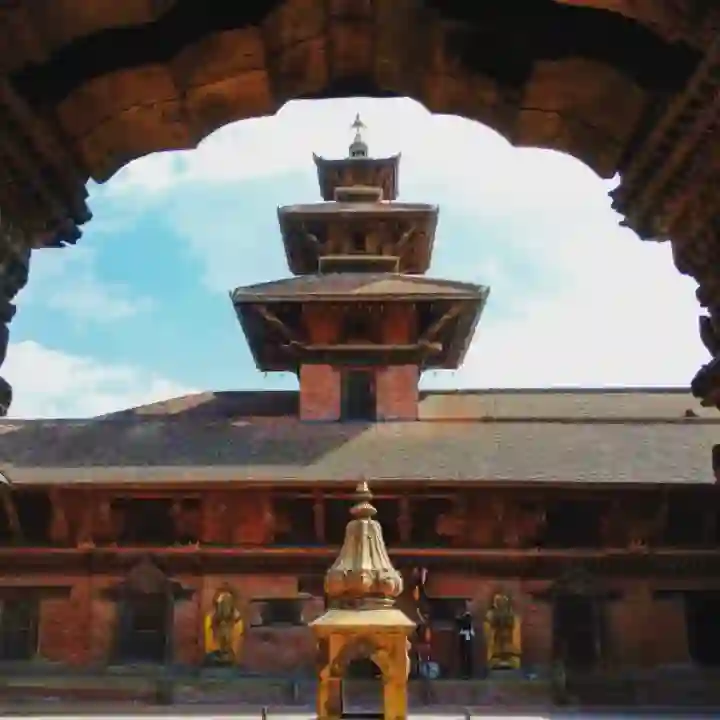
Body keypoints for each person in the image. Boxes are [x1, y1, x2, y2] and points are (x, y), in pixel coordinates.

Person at [456, 607, 475, 678]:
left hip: (467, 636)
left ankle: (468, 672)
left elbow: (466, 622)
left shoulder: (467, 616)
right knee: (463, 655)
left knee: (468, 654)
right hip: (463, 636)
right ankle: (464, 672)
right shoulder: (462, 617)